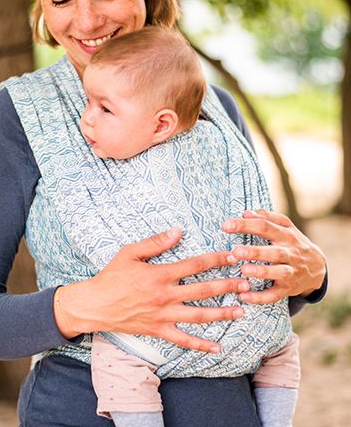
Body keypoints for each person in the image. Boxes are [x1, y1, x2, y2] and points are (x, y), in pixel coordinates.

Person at [0, 0, 327, 425]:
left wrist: (309, 279)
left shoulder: (214, 108)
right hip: (81, 408)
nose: (87, 21)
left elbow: (236, 296)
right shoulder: (16, 118)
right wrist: (82, 306)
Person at [78, 26, 300, 427]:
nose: (86, 119)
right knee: (282, 350)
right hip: (254, 324)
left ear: (161, 125)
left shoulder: (124, 170)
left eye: (104, 109)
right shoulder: (223, 140)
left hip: (164, 329)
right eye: (87, 102)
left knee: (115, 359)